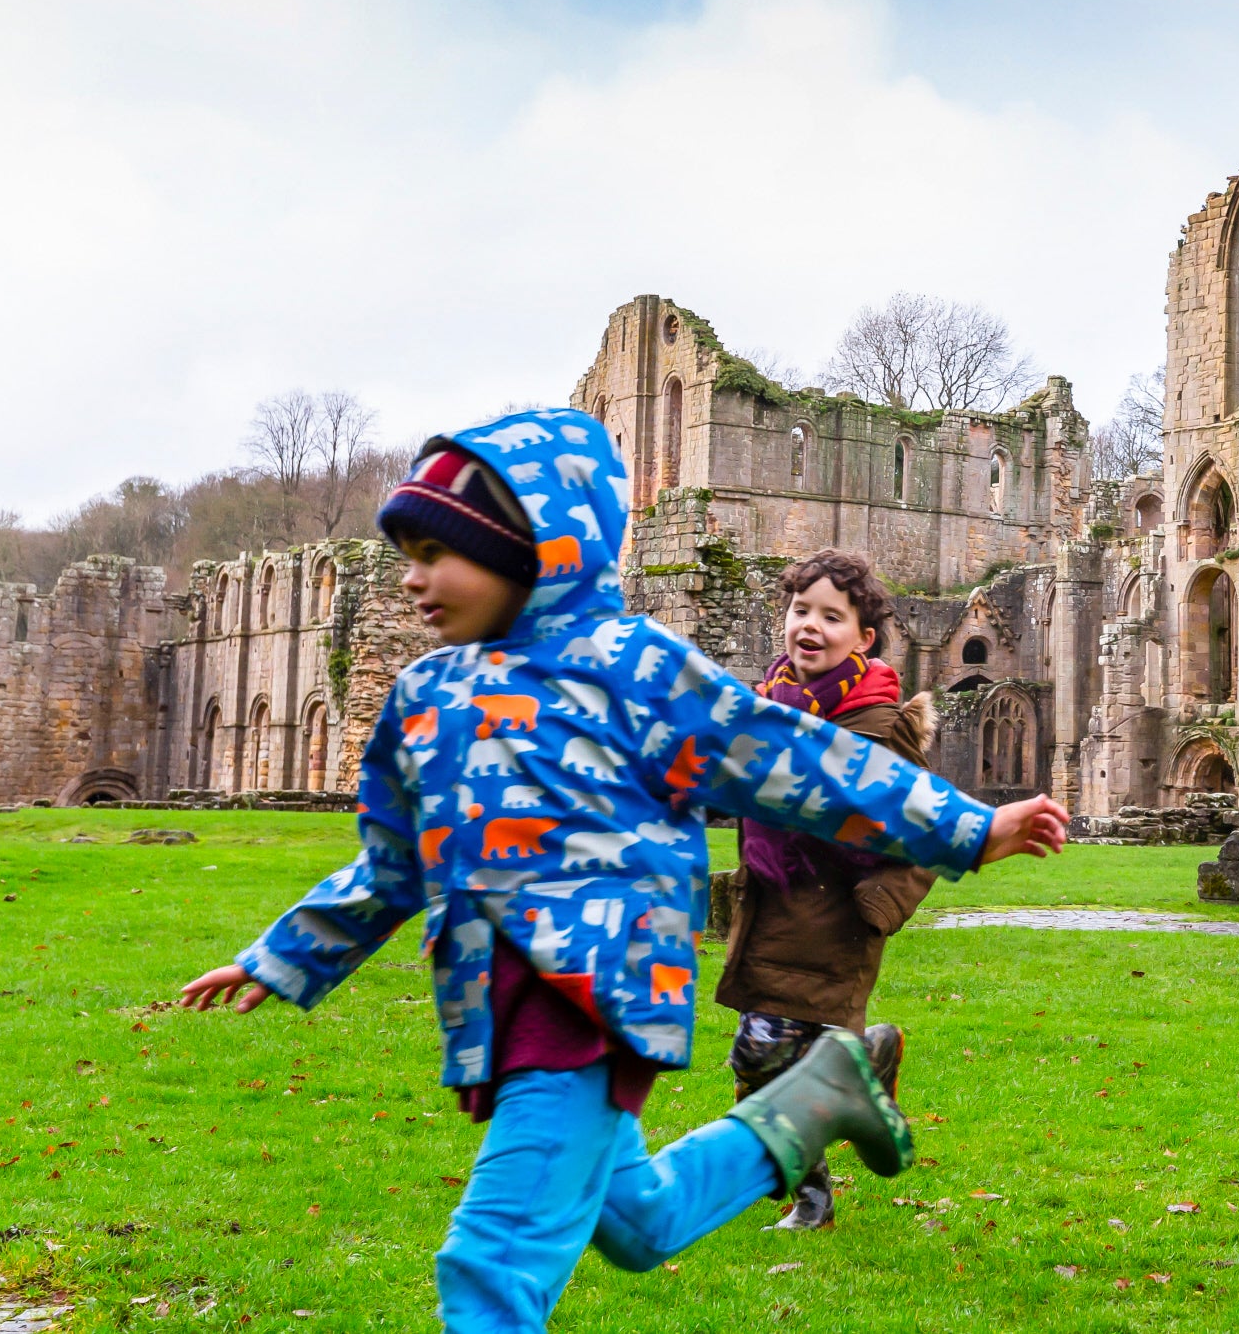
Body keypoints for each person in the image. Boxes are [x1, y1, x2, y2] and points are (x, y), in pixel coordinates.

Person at [176, 412, 1069, 1332]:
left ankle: (816, 1091)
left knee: (490, 1267)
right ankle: (816, 1099)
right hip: (492, 1005)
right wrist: (286, 955)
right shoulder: (425, 697)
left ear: (531, 548)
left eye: (439, 549)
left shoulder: (631, 671)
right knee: (639, 1220)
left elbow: (800, 760)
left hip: (589, 1004)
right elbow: (392, 861)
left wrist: (966, 827)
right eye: (406, 549)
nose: (413, 574)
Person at [716, 548, 937, 1231]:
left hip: (835, 924)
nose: (809, 625)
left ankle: (813, 1188)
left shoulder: (878, 727)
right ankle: (864, 1066)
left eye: (830, 616)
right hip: (772, 912)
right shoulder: (769, 707)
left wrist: (879, 906)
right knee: (778, 1062)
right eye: (800, 609)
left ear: (863, 638)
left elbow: (926, 832)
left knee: (757, 1053)